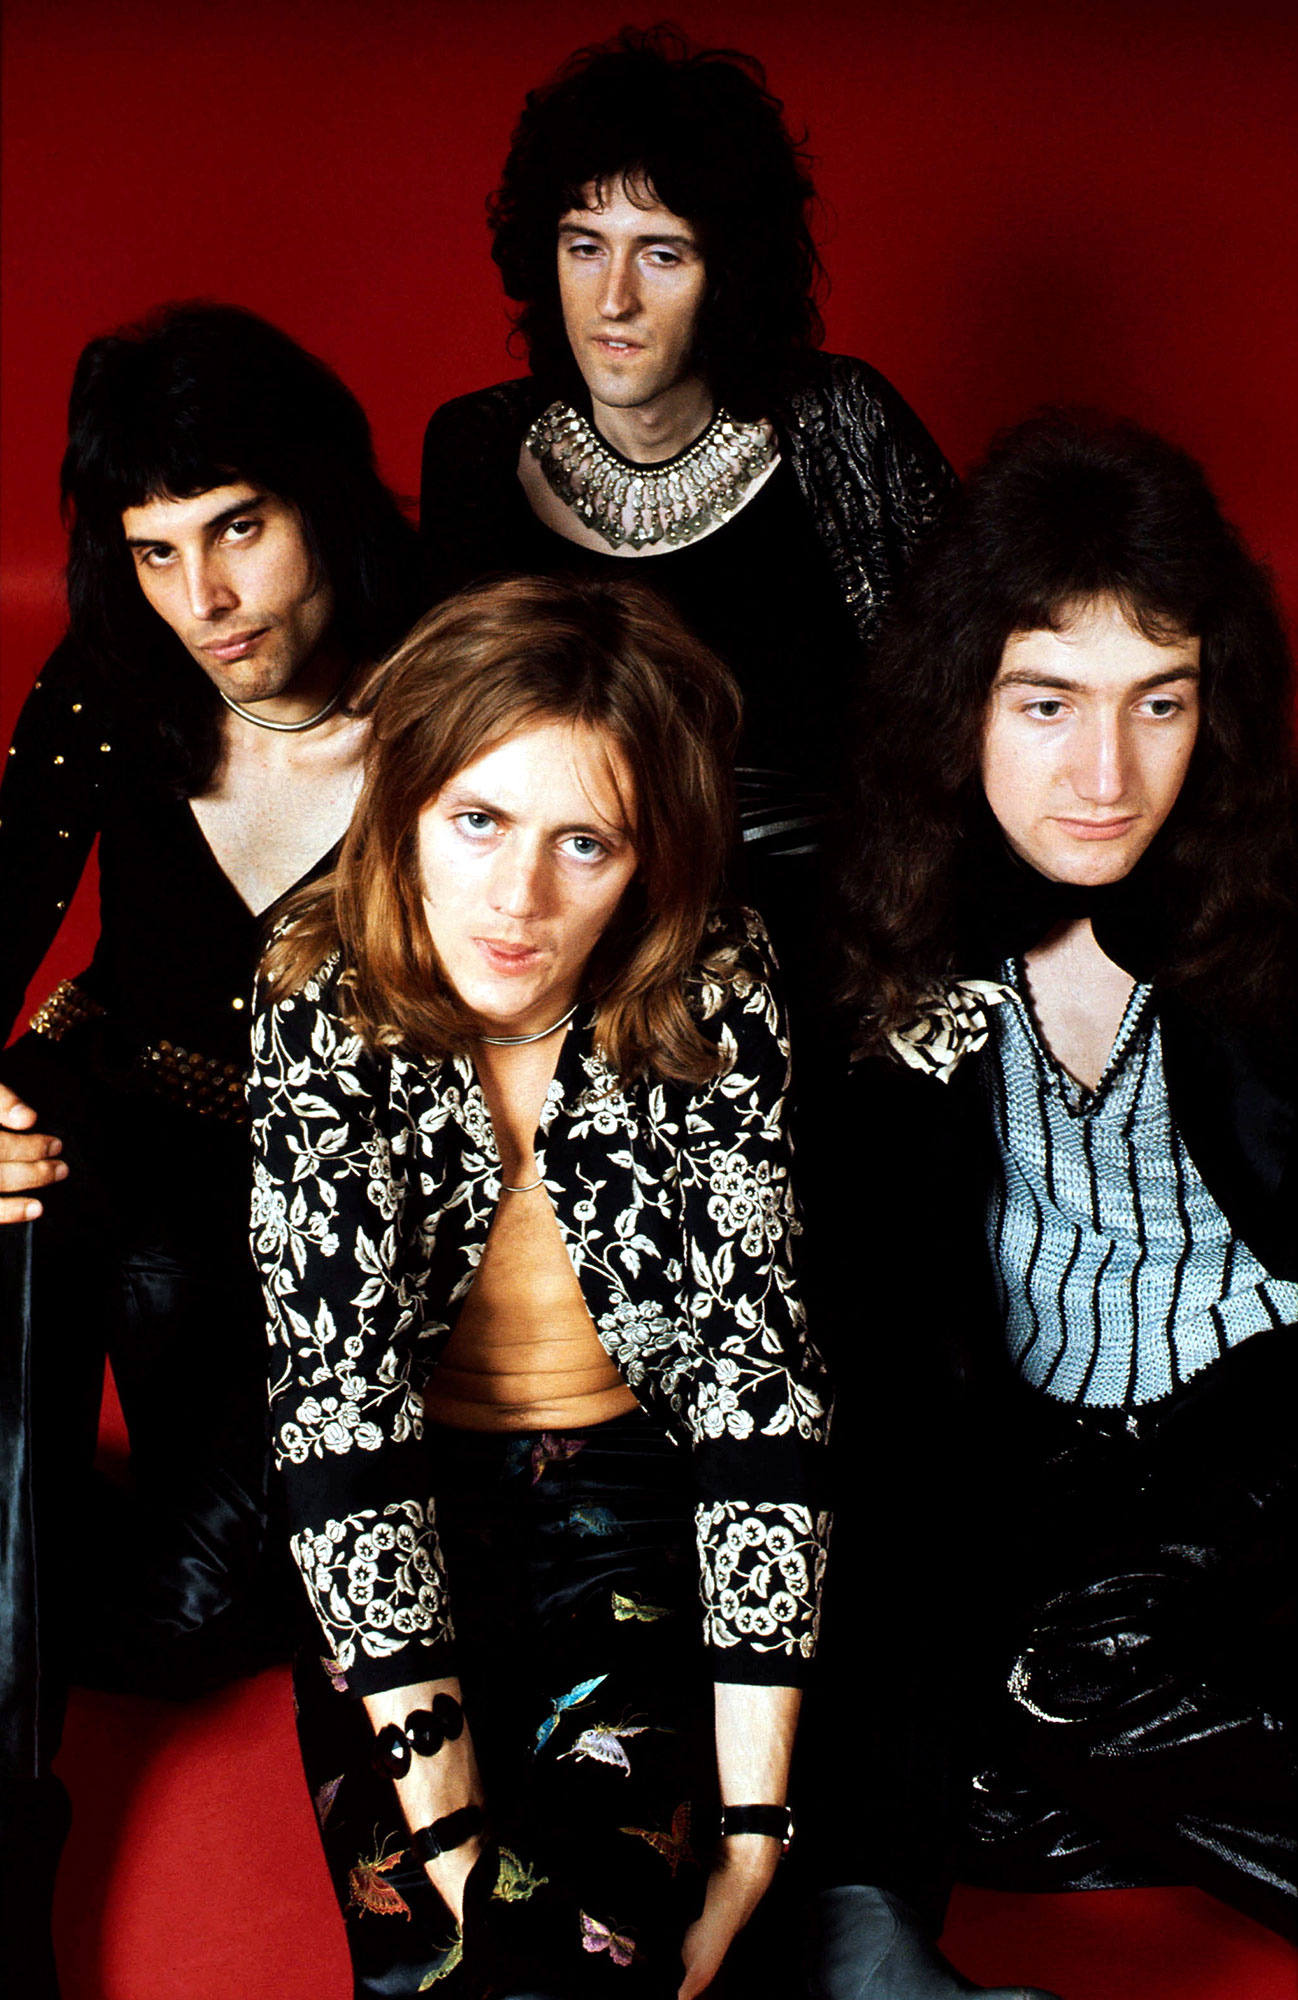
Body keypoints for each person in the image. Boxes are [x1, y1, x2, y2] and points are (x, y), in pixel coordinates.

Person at [249, 574, 831, 1999]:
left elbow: (754, 1382)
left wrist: (753, 1831)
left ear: (647, 857)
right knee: (443, 1960)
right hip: (394, 1496)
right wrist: (456, 1852)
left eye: (584, 841)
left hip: (627, 1501)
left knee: (611, 1940)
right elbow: (339, 1407)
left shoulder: (707, 983)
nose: (518, 899)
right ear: (403, 806)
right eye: (479, 821)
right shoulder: (314, 984)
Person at [824, 409, 1296, 1992]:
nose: (1106, 776)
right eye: (1047, 704)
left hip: (1264, 1410)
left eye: (1159, 702)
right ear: (961, 698)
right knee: (971, 1785)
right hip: (1048, 1452)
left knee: (1067, 1685)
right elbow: (891, 1337)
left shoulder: (1267, 902)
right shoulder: (895, 921)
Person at [0, 301, 421, 1995]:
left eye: (238, 530)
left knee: (198, 1616)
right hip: (117, 1173)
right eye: (156, 552)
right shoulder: (113, 685)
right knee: (11, 1169)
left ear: (322, 495)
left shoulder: (461, 683)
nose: (207, 602)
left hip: (338, 1235)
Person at [419, 25, 955, 965]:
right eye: (585, 247)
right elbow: (447, 743)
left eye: (662, 255)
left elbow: (983, 691)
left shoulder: (841, 422)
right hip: (567, 948)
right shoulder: (477, 445)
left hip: (833, 945)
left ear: (729, 276)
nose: (613, 300)